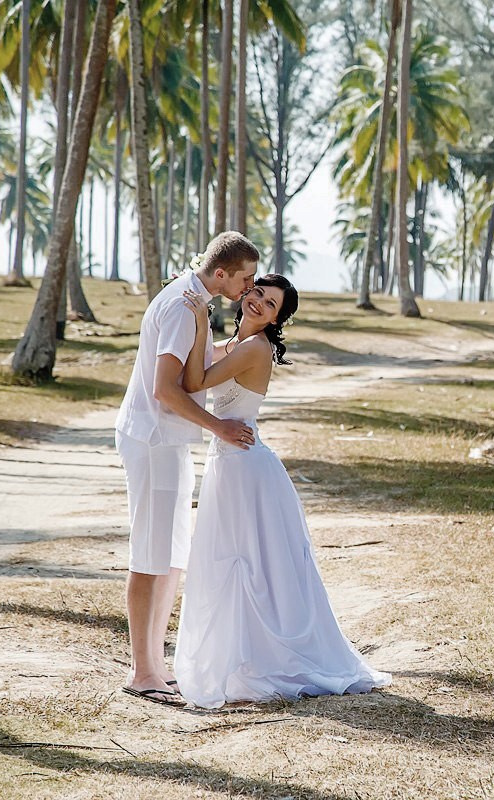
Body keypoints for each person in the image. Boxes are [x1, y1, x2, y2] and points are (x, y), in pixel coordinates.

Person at [173, 274, 391, 708]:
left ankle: (268, 657)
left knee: (254, 564)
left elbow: (195, 382)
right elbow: (195, 366)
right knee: (239, 561)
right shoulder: (239, 342)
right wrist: (204, 325)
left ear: (276, 320)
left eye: (270, 304)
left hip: (246, 466)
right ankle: (243, 653)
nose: (258, 303)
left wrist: (201, 319)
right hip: (230, 461)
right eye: (257, 294)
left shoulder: (255, 347)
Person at [114, 231, 259, 707]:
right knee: (150, 552)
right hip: (154, 438)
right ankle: (142, 671)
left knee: (171, 552)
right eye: (246, 278)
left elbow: (198, 365)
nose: (249, 288)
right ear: (222, 273)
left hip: (170, 441)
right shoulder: (182, 305)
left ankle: (156, 664)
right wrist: (219, 426)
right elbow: (165, 389)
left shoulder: (196, 300)